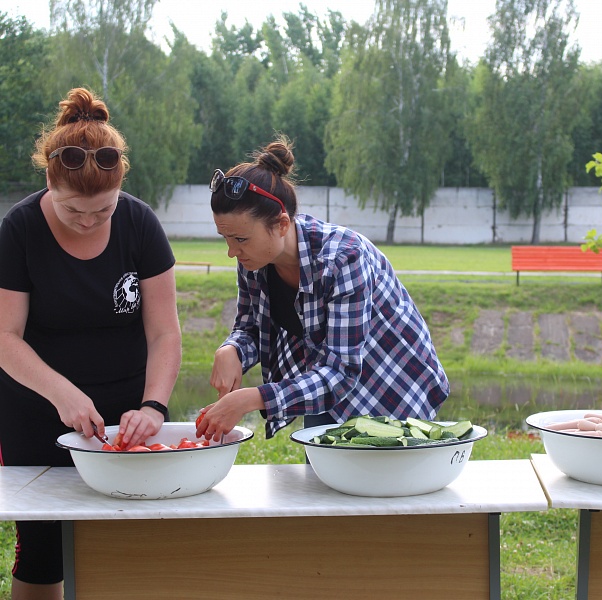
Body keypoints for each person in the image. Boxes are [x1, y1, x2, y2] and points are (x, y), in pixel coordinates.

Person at [0, 87, 181, 600]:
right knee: (43, 549)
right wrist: (63, 394)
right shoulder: (18, 230)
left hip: (127, 413)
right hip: (37, 409)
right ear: (49, 183)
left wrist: (153, 405)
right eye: (73, 209)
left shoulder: (141, 223)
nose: (87, 220)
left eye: (102, 212)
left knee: (128, 542)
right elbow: (4, 337)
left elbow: (164, 332)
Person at [197, 136, 449, 442]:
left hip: (391, 386)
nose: (231, 251)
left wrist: (252, 398)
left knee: (384, 484)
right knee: (319, 482)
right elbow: (250, 326)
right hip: (321, 383)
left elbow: (341, 372)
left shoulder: (344, 258)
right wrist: (231, 349)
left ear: (282, 225)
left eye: (240, 239)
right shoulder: (253, 259)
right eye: (226, 238)